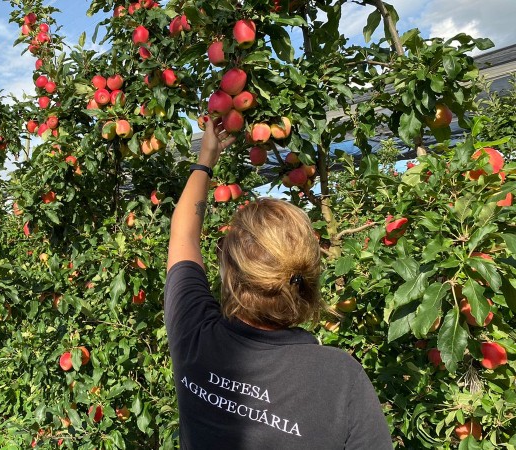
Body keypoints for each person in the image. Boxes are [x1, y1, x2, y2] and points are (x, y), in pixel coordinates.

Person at [164, 116, 392, 449]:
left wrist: (206, 159)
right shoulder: (339, 377)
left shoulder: (194, 335)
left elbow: (183, 233)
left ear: (229, 271)